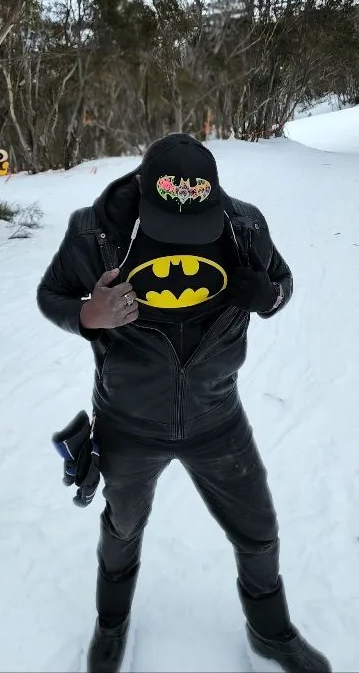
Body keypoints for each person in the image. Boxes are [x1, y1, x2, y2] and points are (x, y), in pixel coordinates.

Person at [37, 133, 331, 673]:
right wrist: (87, 316)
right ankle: (111, 624)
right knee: (123, 528)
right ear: (143, 197)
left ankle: (271, 632)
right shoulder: (96, 231)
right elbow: (50, 295)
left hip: (217, 418)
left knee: (259, 529)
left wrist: (267, 297)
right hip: (129, 421)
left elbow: (283, 283)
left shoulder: (244, 227)